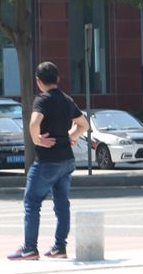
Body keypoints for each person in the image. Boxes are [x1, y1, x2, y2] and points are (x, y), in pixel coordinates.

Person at [8, 62, 88, 260]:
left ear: (38, 81)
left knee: (32, 202)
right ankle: (60, 247)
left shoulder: (42, 99)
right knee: (62, 203)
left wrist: (38, 140)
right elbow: (83, 124)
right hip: (67, 159)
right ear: (58, 79)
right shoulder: (67, 100)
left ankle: (29, 248)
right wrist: (72, 134)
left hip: (47, 160)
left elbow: (34, 122)